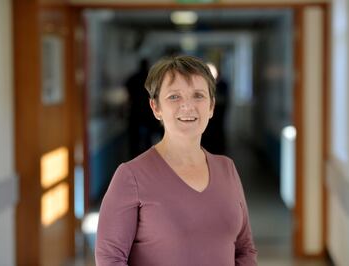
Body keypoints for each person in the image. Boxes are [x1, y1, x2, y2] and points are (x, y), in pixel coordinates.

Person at [95, 55, 257, 266]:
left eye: (198, 95)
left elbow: (244, 249)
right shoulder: (130, 176)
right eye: (174, 97)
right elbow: (110, 259)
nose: (187, 106)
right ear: (156, 107)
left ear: (211, 107)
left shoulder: (227, 168)